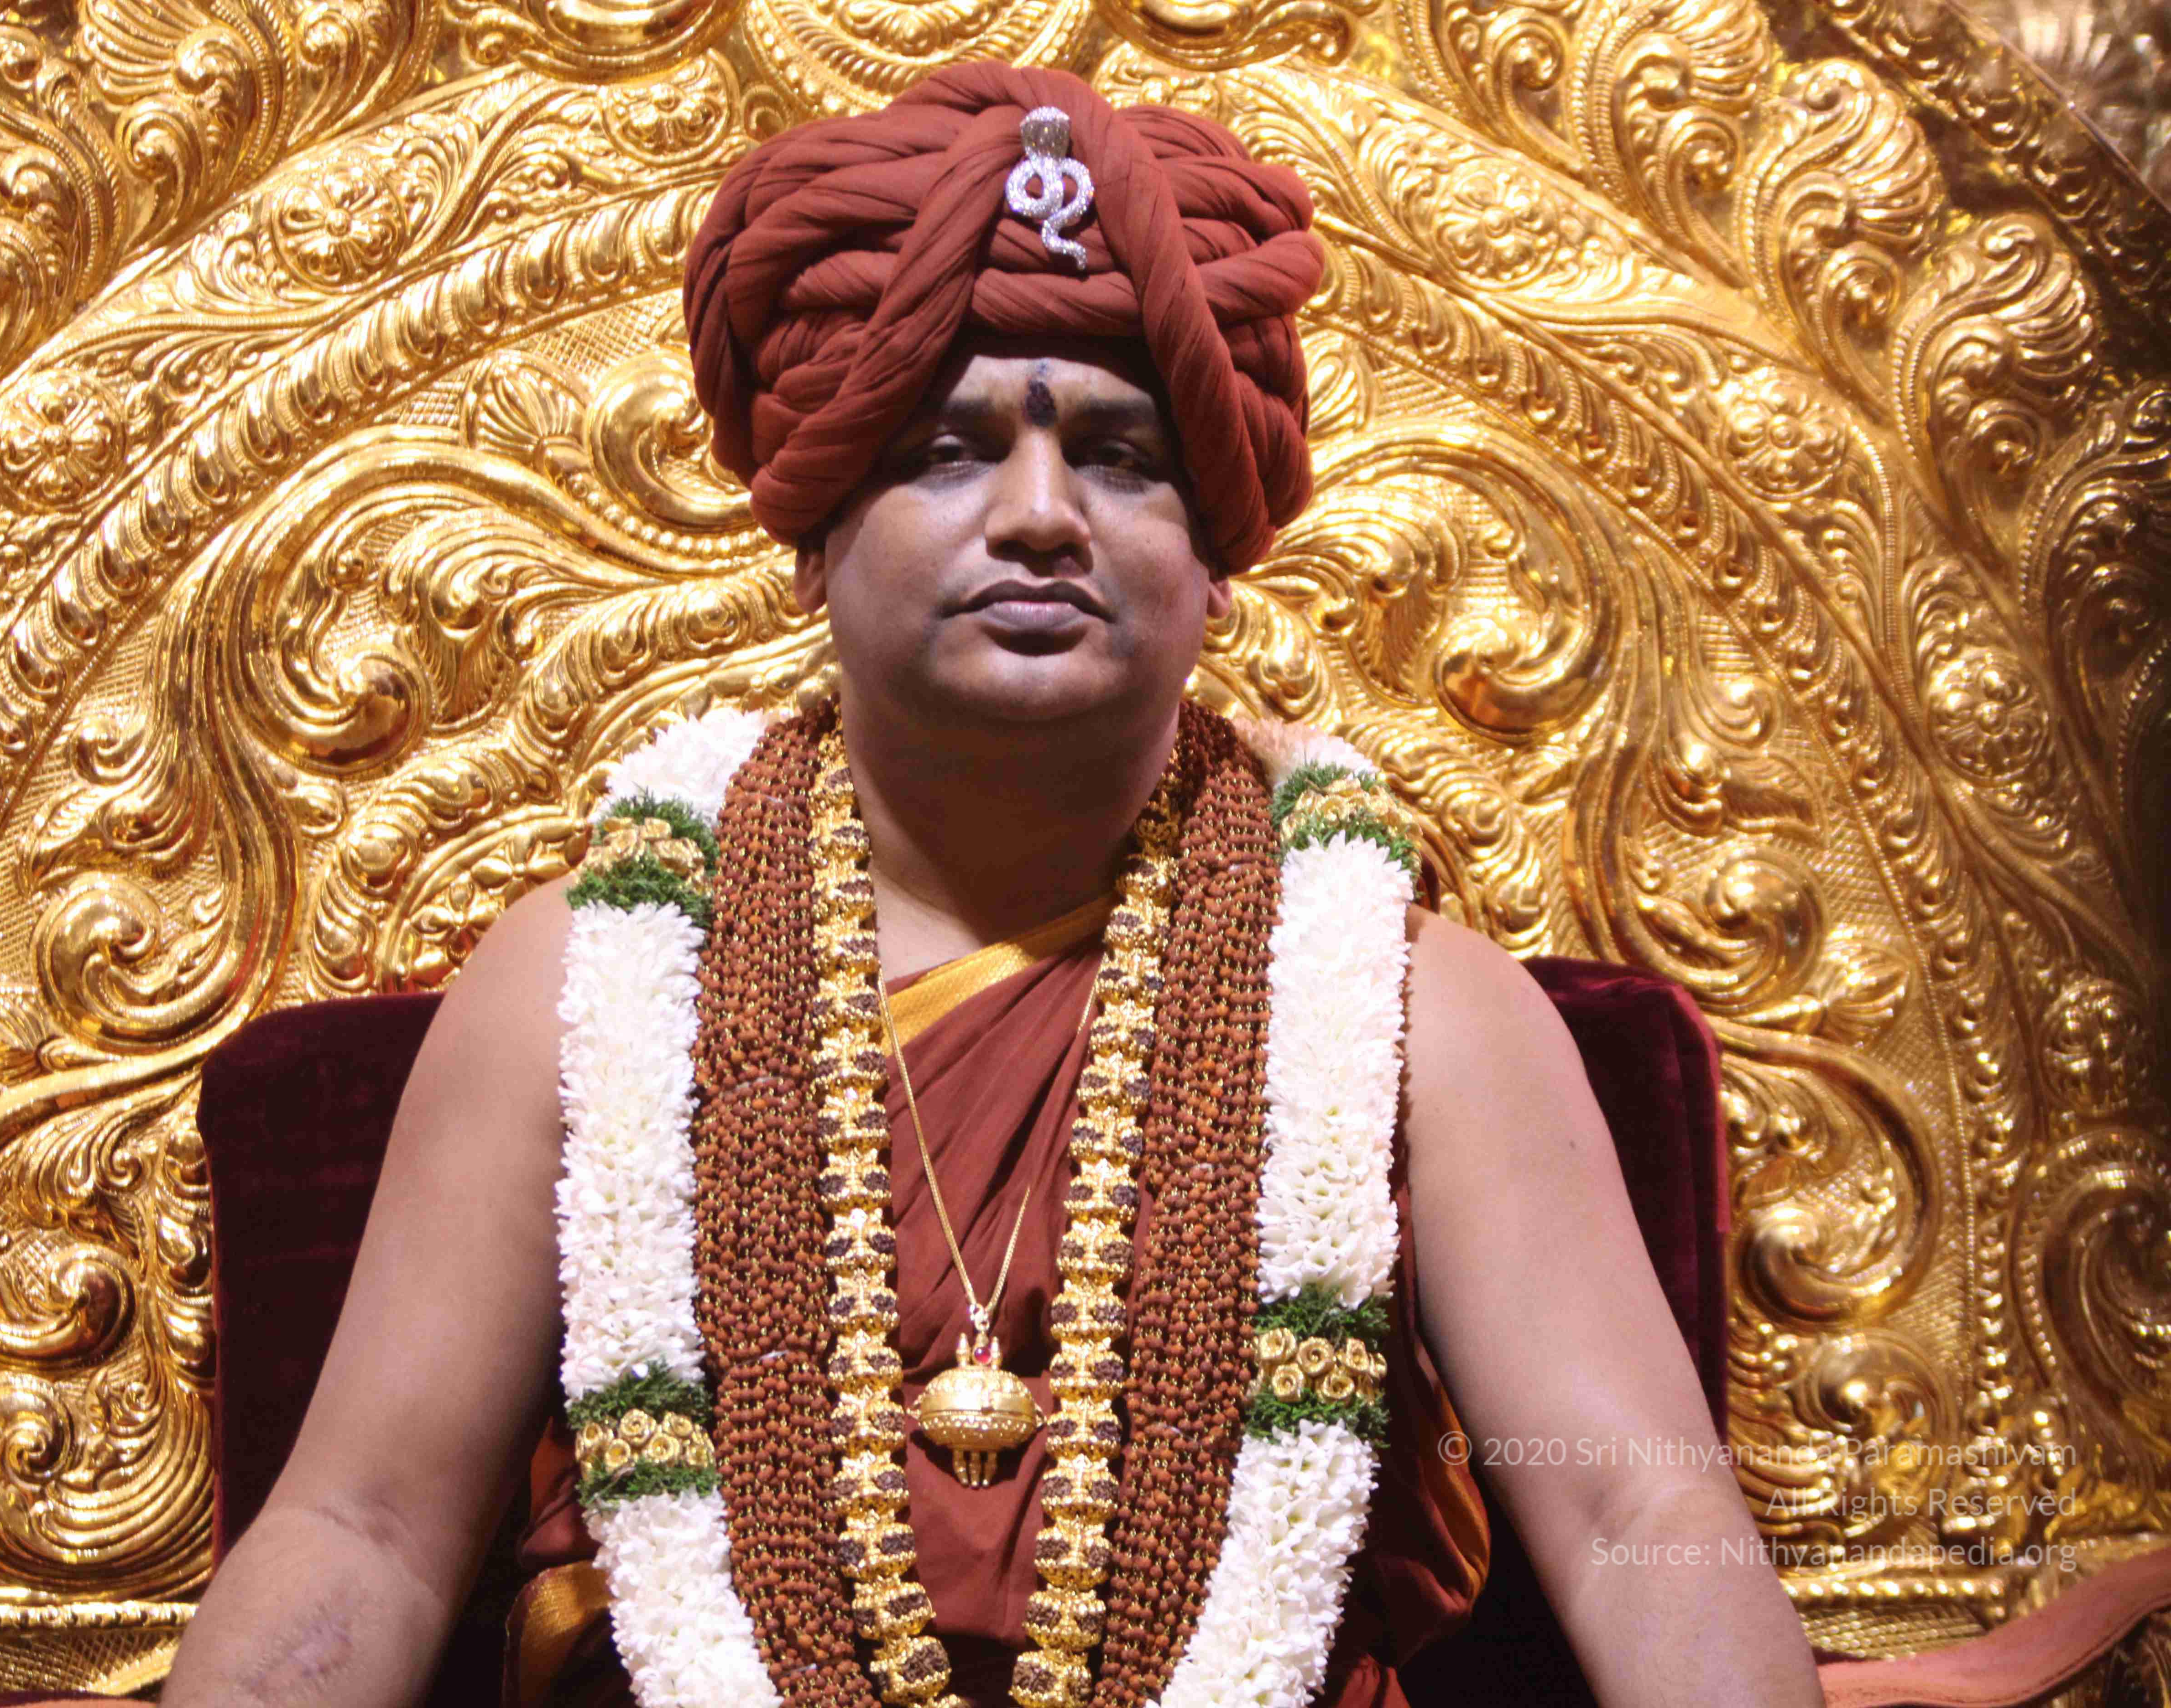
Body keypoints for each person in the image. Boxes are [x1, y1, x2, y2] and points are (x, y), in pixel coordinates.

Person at [159, 62, 1822, 1708]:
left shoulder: (1409, 1004)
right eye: (951, 449)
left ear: (1219, 557)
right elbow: (368, 1532)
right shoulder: (588, 980)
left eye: (1121, 454)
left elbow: (1638, 1514)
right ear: (813, 534)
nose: (1040, 516)